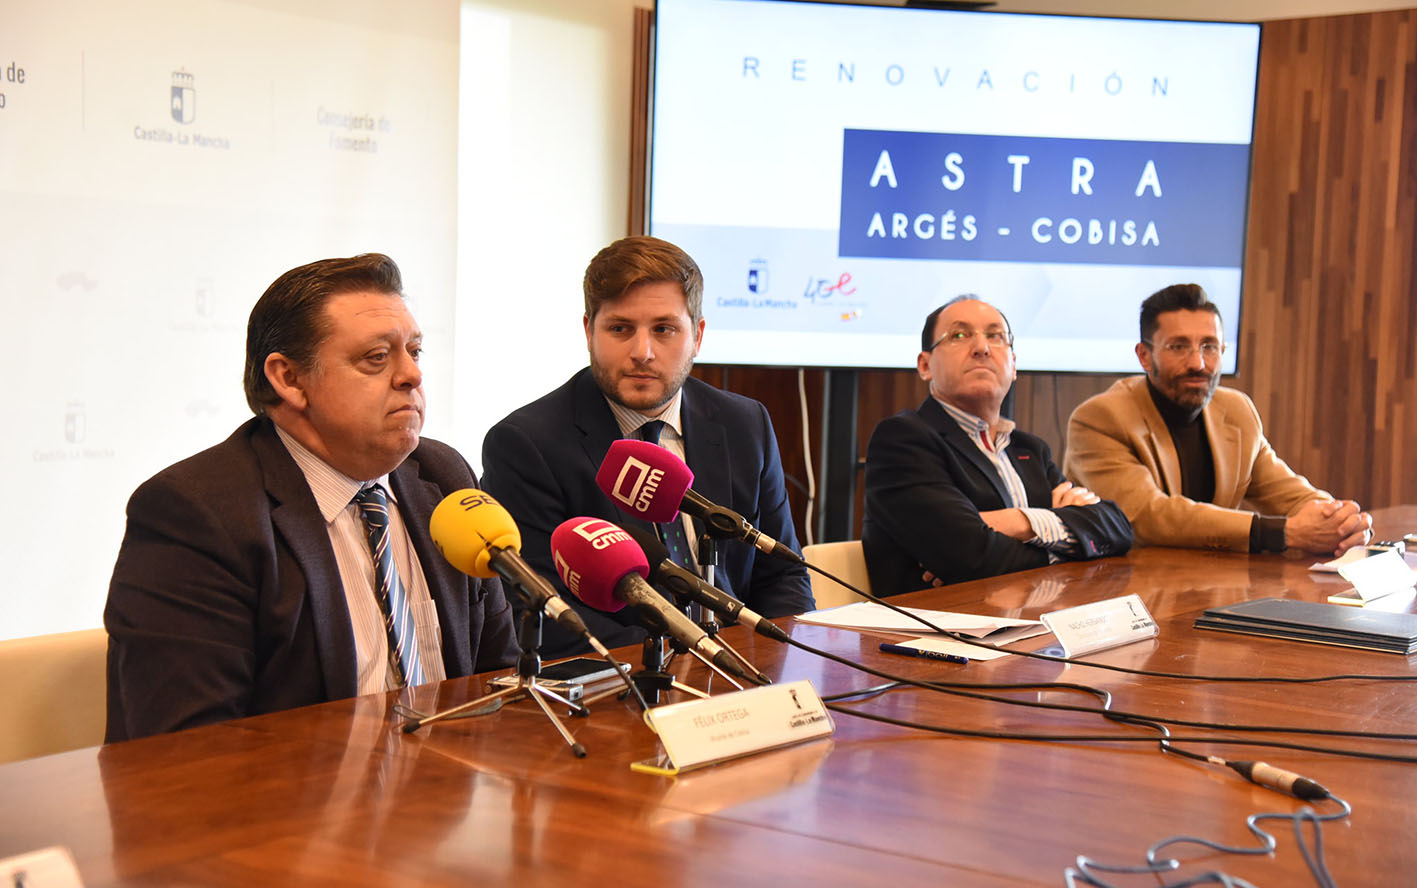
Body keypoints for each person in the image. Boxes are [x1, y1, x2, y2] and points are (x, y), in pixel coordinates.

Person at [104, 254, 519, 742]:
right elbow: (188, 748)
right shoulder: (197, 514)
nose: (412, 375)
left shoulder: (443, 477)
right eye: (377, 358)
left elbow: (500, 682)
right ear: (289, 379)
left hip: (444, 797)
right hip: (292, 809)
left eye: (415, 352)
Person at [481, 236, 813, 657]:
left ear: (698, 335)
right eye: (620, 328)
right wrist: (692, 665)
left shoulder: (745, 423)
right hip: (621, 681)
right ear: (589, 331)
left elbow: (784, 577)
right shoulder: (526, 445)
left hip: (746, 673)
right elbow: (548, 611)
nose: (643, 352)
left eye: (664, 329)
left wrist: (767, 662)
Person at [1064, 283, 1371, 555]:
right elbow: (1147, 516)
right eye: (1178, 347)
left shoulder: (1237, 410)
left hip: (1213, 586)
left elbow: (1287, 491)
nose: (1198, 363)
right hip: (1124, 593)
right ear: (1144, 356)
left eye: (1209, 346)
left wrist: (1341, 521)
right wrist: (1284, 533)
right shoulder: (1100, 418)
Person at [862, 296, 1133, 597]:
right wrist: (1067, 545)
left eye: (996, 336)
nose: (982, 348)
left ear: (1014, 365)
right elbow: (968, 555)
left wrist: (1017, 522)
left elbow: (1118, 529)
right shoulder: (902, 440)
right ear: (925, 365)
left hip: (1032, 628)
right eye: (959, 336)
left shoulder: (1030, 450)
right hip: (936, 634)